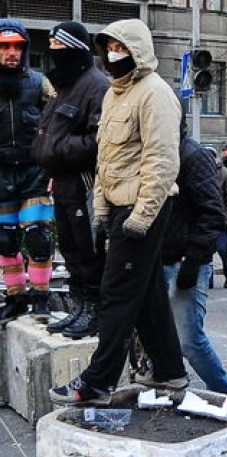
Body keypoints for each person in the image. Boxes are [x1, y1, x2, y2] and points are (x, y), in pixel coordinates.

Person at [50, 18, 187, 405]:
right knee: (147, 295)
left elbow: (162, 162)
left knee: (116, 295)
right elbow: (106, 159)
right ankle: (172, 374)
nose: (113, 55)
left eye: (121, 48)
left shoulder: (155, 93)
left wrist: (141, 217)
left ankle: (97, 383)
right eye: (109, 47)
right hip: (118, 204)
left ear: (137, 50)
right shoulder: (114, 94)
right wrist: (101, 207)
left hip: (144, 207)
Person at [32, 21, 109, 338]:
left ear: (75, 50)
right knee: (70, 248)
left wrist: (57, 150)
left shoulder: (95, 85)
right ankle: (78, 306)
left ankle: (93, 311)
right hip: (61, 180)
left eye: (60, 50)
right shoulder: (65, 84)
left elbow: (97, 140)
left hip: (83, 181)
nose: (54, 56)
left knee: (87, 249)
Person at [154, 115, 227, 393]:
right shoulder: (156, 152)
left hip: (184, 262)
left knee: (189, 340)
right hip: (159, 260)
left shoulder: (193, 155)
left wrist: (193, 261)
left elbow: (212, 215)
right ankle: (170, 391)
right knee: (161, 337)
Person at [0, 20, 56, 323]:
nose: (11, 53)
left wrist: (54, 164)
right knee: (4, 240)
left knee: (39, 238)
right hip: (0, 175)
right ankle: (16, 298)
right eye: (5, 46)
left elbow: (59, 122)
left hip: (35, 171)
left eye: (17, 47)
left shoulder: (40, 83)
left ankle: (41, 297)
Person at [208, 146, 227, 289]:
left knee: (223, 249)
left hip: (220, 219)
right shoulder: (201, 172)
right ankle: (208, 280)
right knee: (206, 251)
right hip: (205, 219)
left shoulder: (225, 173)